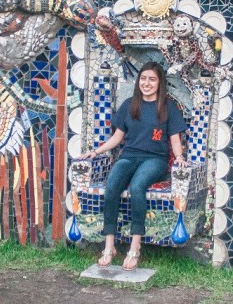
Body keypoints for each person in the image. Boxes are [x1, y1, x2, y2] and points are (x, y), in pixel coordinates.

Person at [79, 62, 187, 270]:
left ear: (159, 83)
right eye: (143, 79)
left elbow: (175, 139)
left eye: (152, 79)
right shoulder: (130, 104)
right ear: (139, 81)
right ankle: (109, 245)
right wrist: (96, 151)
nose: (147, 83)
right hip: (129, 156)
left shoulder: (167, 108)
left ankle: (135, 247)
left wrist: (180, 157)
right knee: (112, 186)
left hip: (155, 160)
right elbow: (117, 137)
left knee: (137, 187)